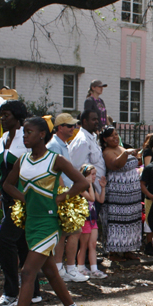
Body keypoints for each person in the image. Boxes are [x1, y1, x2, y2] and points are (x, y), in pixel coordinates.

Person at [0, 117, 89, 306]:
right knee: (51, 272)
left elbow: (82, 183)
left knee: (27, 272)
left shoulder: (56, 160)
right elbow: (7, 185)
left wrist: (61, 197)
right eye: (24, 132)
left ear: (42, 134)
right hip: (31, 222)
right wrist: (24, 198)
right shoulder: (22, 160)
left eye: (29, 132)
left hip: (48, 222)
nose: (24, 136)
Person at [0, 101, 42, 306]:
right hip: (9, 200)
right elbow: (1, 174)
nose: (2, 119)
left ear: (17, 118)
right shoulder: (2, 139)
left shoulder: (25, 138)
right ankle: (34, 292)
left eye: (6, 115)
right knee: (22, 245)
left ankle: (10, 293)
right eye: (0, 115)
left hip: (25, 200)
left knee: (5, 240)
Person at [48, 113, 88, 282]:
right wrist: (66, 194)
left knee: (64, 233)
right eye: (69, 126)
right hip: (64, 194)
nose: (73, 128)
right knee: (74, 231)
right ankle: (69, 268)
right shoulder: (54, 145)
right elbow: (56, 172)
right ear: (60, 127)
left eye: (74, 126)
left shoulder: (62, 144)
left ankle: (60, 268)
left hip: (66, 193)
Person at [100, 126, 142, 261]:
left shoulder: (121, 147)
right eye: (111, 136)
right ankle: (114, 252)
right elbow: (116, 165)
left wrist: (135, 155)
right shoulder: (107, 152)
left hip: (132, 193)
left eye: (116, 134)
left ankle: (128, 249)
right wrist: (126, 154)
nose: (115, 137)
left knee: (131, 219)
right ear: (105, 139)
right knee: (118, 220)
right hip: (118, 192)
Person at [76, 165, 107, 279]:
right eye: (92, 174)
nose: (94, 176)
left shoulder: (92, 186)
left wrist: (102, 187)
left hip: (93, 218)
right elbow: (91, 198)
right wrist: (88, 184)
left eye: (95, 174)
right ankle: (81, 267)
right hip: (84, 219)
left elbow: (100, 200)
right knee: (84, 244)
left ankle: (94, 269)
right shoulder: (81, 187)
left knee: (93, 244)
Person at [68, 109, 107, 195]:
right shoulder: (82, 141)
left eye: (97, 119)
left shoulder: (92, 137)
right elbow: (79, 170)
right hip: (90, 194)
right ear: (85, 121)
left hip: (98, 190)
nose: (97, 122)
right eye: (93, 119)